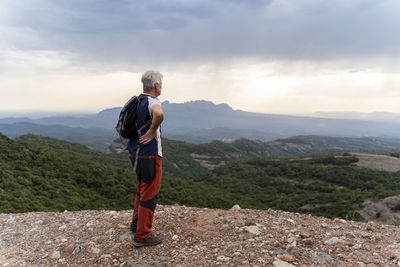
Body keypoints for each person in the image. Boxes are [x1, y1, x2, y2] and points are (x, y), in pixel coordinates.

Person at [127, 70, 164, 247]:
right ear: (156, 85)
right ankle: (142, 235)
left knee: (142, 189)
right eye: (161, 83)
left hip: (135, 153)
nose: (162, 85)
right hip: (149, 154)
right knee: (150, 193)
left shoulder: (136, 101)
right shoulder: (152, 101)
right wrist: (151, 131)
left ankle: (135, 225)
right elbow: (159, 115)